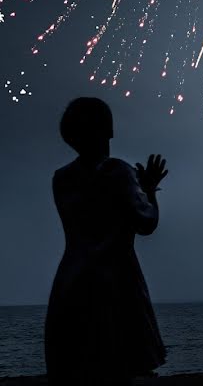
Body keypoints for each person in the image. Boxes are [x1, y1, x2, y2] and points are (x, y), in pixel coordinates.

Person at [45, 97, 169, 385]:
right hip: (116, 280)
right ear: (108, 130)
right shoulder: (118, 171)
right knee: (119, 363)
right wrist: (149, 190)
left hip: (70, 280)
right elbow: (146, 222)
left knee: (77, 365)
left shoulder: (61, 179)